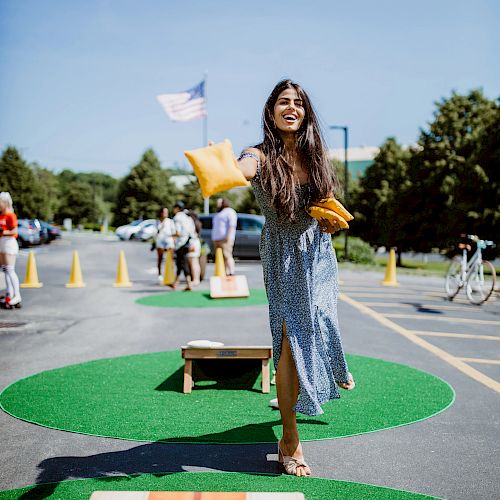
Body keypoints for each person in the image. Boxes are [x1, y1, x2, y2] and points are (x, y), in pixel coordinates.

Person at [236, 80, 355, 477]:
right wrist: (227, 171)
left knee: (319, 323)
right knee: (289, 339)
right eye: (284, 102)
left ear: (305, 112)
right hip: (283, 256)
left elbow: (322, 204)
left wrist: (329, 219)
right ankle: (290, 438)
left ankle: (328, 365)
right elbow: (242, 170)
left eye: (299, 103)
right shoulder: (258, 155)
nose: (292, 107)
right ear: (271, 111)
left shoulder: (315, 154)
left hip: (318, 252)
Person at [0, 192, 22, 309]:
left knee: (10, 269)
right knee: (5, 270)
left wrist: (3, 232)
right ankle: (10, 294)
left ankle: (17, 295)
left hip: (9, 242)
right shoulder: (1, 216)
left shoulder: (10, 215)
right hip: (2, 242)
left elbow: (14, 231)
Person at [172, 201, 199, 291]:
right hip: (189, 241)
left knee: (182, 263)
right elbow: (193, 231)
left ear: (177, 208)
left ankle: (188, 283)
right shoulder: (188, 217)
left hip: (181, 243)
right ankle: (176, 282)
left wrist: (172, 237)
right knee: (181, 263)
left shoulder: (177, 218)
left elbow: (178, 232)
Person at [211, 198, 238, 275]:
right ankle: (224, 272)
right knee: (220, 258)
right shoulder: (220, 212)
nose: (217, 204)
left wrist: (228, 236)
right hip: (217, 239)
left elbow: (232, 225)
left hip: (225, 239)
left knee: (227, 255)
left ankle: (231, 272)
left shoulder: (230, 211)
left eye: (219, 202)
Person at [155, 207, 176, 282]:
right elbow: (156, 232)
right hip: (160, 240)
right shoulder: (158, 222)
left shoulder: (170, 221)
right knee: (160, 258)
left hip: (168, 240)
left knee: (170, 258)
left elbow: (174, 233)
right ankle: (160, 274)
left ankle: (171, 274)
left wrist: (174, 242)